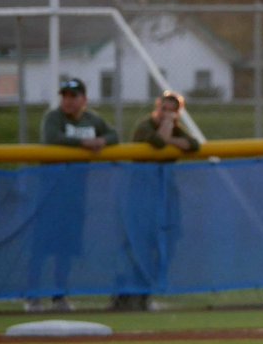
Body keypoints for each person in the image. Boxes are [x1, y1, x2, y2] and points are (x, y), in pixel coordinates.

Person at [29, 77, 120, 312]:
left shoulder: (92, 119)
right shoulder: (54, 117)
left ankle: (59, 296)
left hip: (75, 194)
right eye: (65, 96)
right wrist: (84, 143)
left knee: (66, 248)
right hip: (51, 192)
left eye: (73, 96)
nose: (68, 101)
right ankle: (33, 296)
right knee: (41, 247)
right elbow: (52, 138)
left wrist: (101, 140)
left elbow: (114, 136)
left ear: (84, 99)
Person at [110, 90, 201, 310]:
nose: (166, 114)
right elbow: (159, 142)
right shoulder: (145, 126)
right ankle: (124, 295)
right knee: (137, 245)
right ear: (157, 107)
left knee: (163, 244)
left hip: (165, 196)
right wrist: (168, 129)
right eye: (163, 109)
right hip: (141, 195)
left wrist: (172, 135)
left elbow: (194, 144)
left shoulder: (177, 128)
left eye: (172, 111)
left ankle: (145, 294)